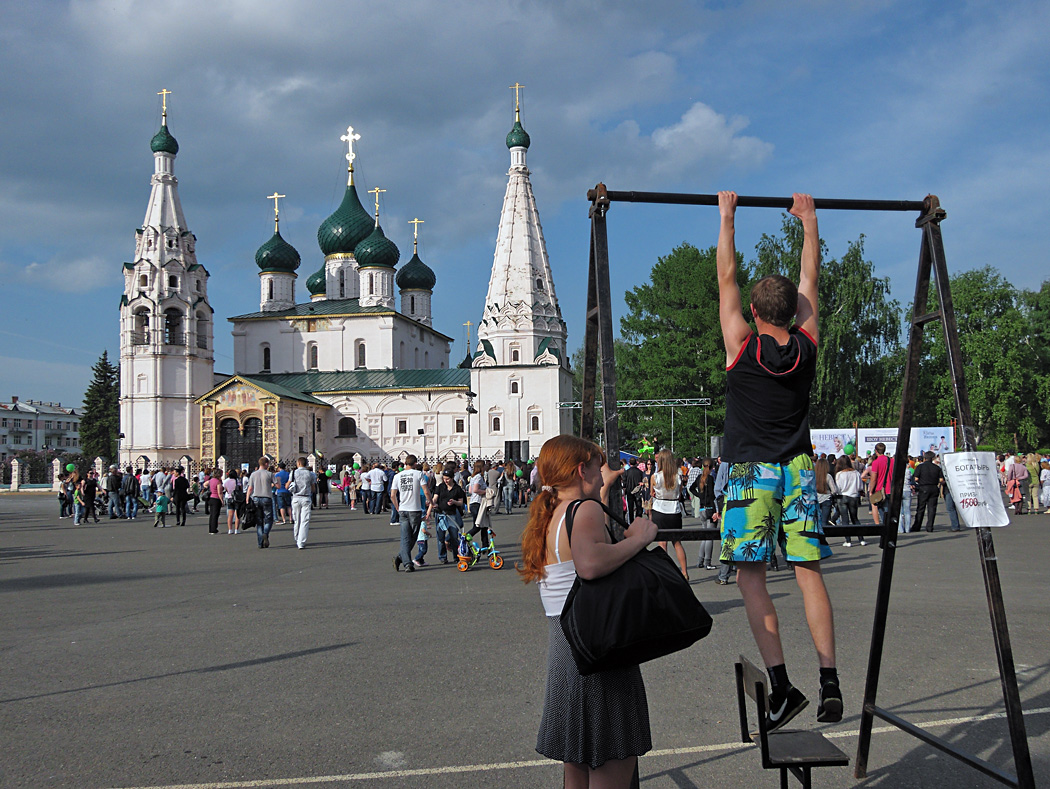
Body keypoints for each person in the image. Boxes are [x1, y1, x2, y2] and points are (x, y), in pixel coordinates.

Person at [716, 190, 840, 729]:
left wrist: (727, 217)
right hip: (796, 468)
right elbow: (810, 277)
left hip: (751, 471)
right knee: (807, 571)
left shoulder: (741, 343)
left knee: (750, 577)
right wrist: (810, 223)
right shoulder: (808, 343)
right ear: (793, 312)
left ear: (753, 312)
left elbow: (726, 278)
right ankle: (830, 682)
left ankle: (784, 686)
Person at [519, 434, 658, 787]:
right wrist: (638, 540)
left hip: (567, 653)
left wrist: (604, 485)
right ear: (582, 469)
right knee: (611, 763)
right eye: (598, 465)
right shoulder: (585, 510)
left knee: (578, 768)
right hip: (598, 652)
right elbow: (590, 564)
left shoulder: (552, 513)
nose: (603, 470)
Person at [650, 449, 688, 579]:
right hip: (674, 510)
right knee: (677, 542)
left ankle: (665, 573)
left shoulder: (655, 477)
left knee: (662, 543)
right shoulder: (678, 477)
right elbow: (680, 494)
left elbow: (652, 493)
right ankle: (684, 572)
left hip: (660, 509)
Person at [392, 455, 427, 572]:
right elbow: (426, 490)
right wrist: (431, 502)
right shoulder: (418, 474)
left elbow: (392, 495)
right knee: (412, 537)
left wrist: (397, 507)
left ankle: (402, 557)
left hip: (403, 509)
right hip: (415, 509)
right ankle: (407, 563)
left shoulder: (397, 476)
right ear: (415, 463)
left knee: (406, 537)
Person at [431, 468, 465, 564]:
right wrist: (433, 503)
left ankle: (456, 556)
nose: (446, 481)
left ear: (452, 478)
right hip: (440, 513)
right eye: (444, 478)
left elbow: (461, 503)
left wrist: (454, 502)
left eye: (448, 479)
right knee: (440, 537)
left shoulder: (457, 489)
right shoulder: (440, 487)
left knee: (454, 537)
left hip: (452, 514)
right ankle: (442, 557)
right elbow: (435, 498)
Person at [690, 458, 718, 569]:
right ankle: (707, 562)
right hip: (709, 508)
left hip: (701, 508)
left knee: (704, 536)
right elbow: (712, 495)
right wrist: (716, 510)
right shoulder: (710, 479)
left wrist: (699, 496)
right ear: (711, 467)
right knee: (709, 537)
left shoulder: (699, 478)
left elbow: (691, 488)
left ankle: (700, 560)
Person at [834, 456, 864, 547]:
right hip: (854, 496)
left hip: (842, 496)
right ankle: (861, 539)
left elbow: (838, 488)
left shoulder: (839, 474)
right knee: (855, 518)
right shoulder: (856, 473)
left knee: (845, 519)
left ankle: (848, 540)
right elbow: (860, 487)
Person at [246, 457, 275, 548]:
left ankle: (260, 543)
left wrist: (247, 498)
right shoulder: (270, 474)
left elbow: (250, 488)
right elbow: (277, 485)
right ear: (266, 464)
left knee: (259, 521)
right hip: (266, 498)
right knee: (269, 519)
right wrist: (272, 484)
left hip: (256, 498)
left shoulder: (253, 474)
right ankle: (265, 533)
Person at [289, 457, 317, 549]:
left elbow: (287, 485)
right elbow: (313, 488)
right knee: (305, 520)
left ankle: (296, 537)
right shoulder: (311, 474)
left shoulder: (293, 473)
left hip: (296, 498)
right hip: (306, 498)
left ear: (298, 463)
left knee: (296, 520)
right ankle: (301, 542)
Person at [912, 451, 944, 531]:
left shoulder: (920, 467)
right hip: (934, 488)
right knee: (932, 508)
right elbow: (941, 480)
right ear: (933, 458)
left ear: (924, 458)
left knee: (920, 508)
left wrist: (920, 482)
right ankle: (930, 526)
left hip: (923, 487)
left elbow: (916, 478)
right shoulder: (937, 468)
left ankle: (917, 526)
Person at [467, 460, 491, 549]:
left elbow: (470, 490)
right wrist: (486, 491)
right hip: (478, 503)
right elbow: (475, 490)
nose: (485, 467)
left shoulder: (473, 477)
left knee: (483, 525)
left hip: (474, 502)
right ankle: (466, 537)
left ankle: (485, 545)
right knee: (478, 525)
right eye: (484, 466)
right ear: (481, 467)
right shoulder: (478, 478)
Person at [622, 457, 644, 522]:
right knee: (638, 507)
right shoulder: (640, 472)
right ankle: (638, 521)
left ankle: (631, 522)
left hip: (629, 491)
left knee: (630, 508)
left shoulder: (627, 472)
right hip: (638, 491)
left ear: (629, 463)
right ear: (636, 463)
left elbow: (624, 483)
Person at [223, 469, 241, 534]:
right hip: (236, 498)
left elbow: (225, 489)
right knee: (237, 515)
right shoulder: (236, 481)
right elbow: (240, 488)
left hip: (229, 497)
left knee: (230, 515)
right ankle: (236, 529)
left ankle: (230, 529)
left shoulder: (226, 481)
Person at [206, 469, 224, 534]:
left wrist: (208, 489)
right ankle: (214, 529)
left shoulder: (211, 480)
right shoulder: (218, 482)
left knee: (212, 514)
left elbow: (205, 484)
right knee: (215, 515)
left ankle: (211, 528)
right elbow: (220, 492)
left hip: (211, 497)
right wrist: (222, 500)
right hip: (216, 498)